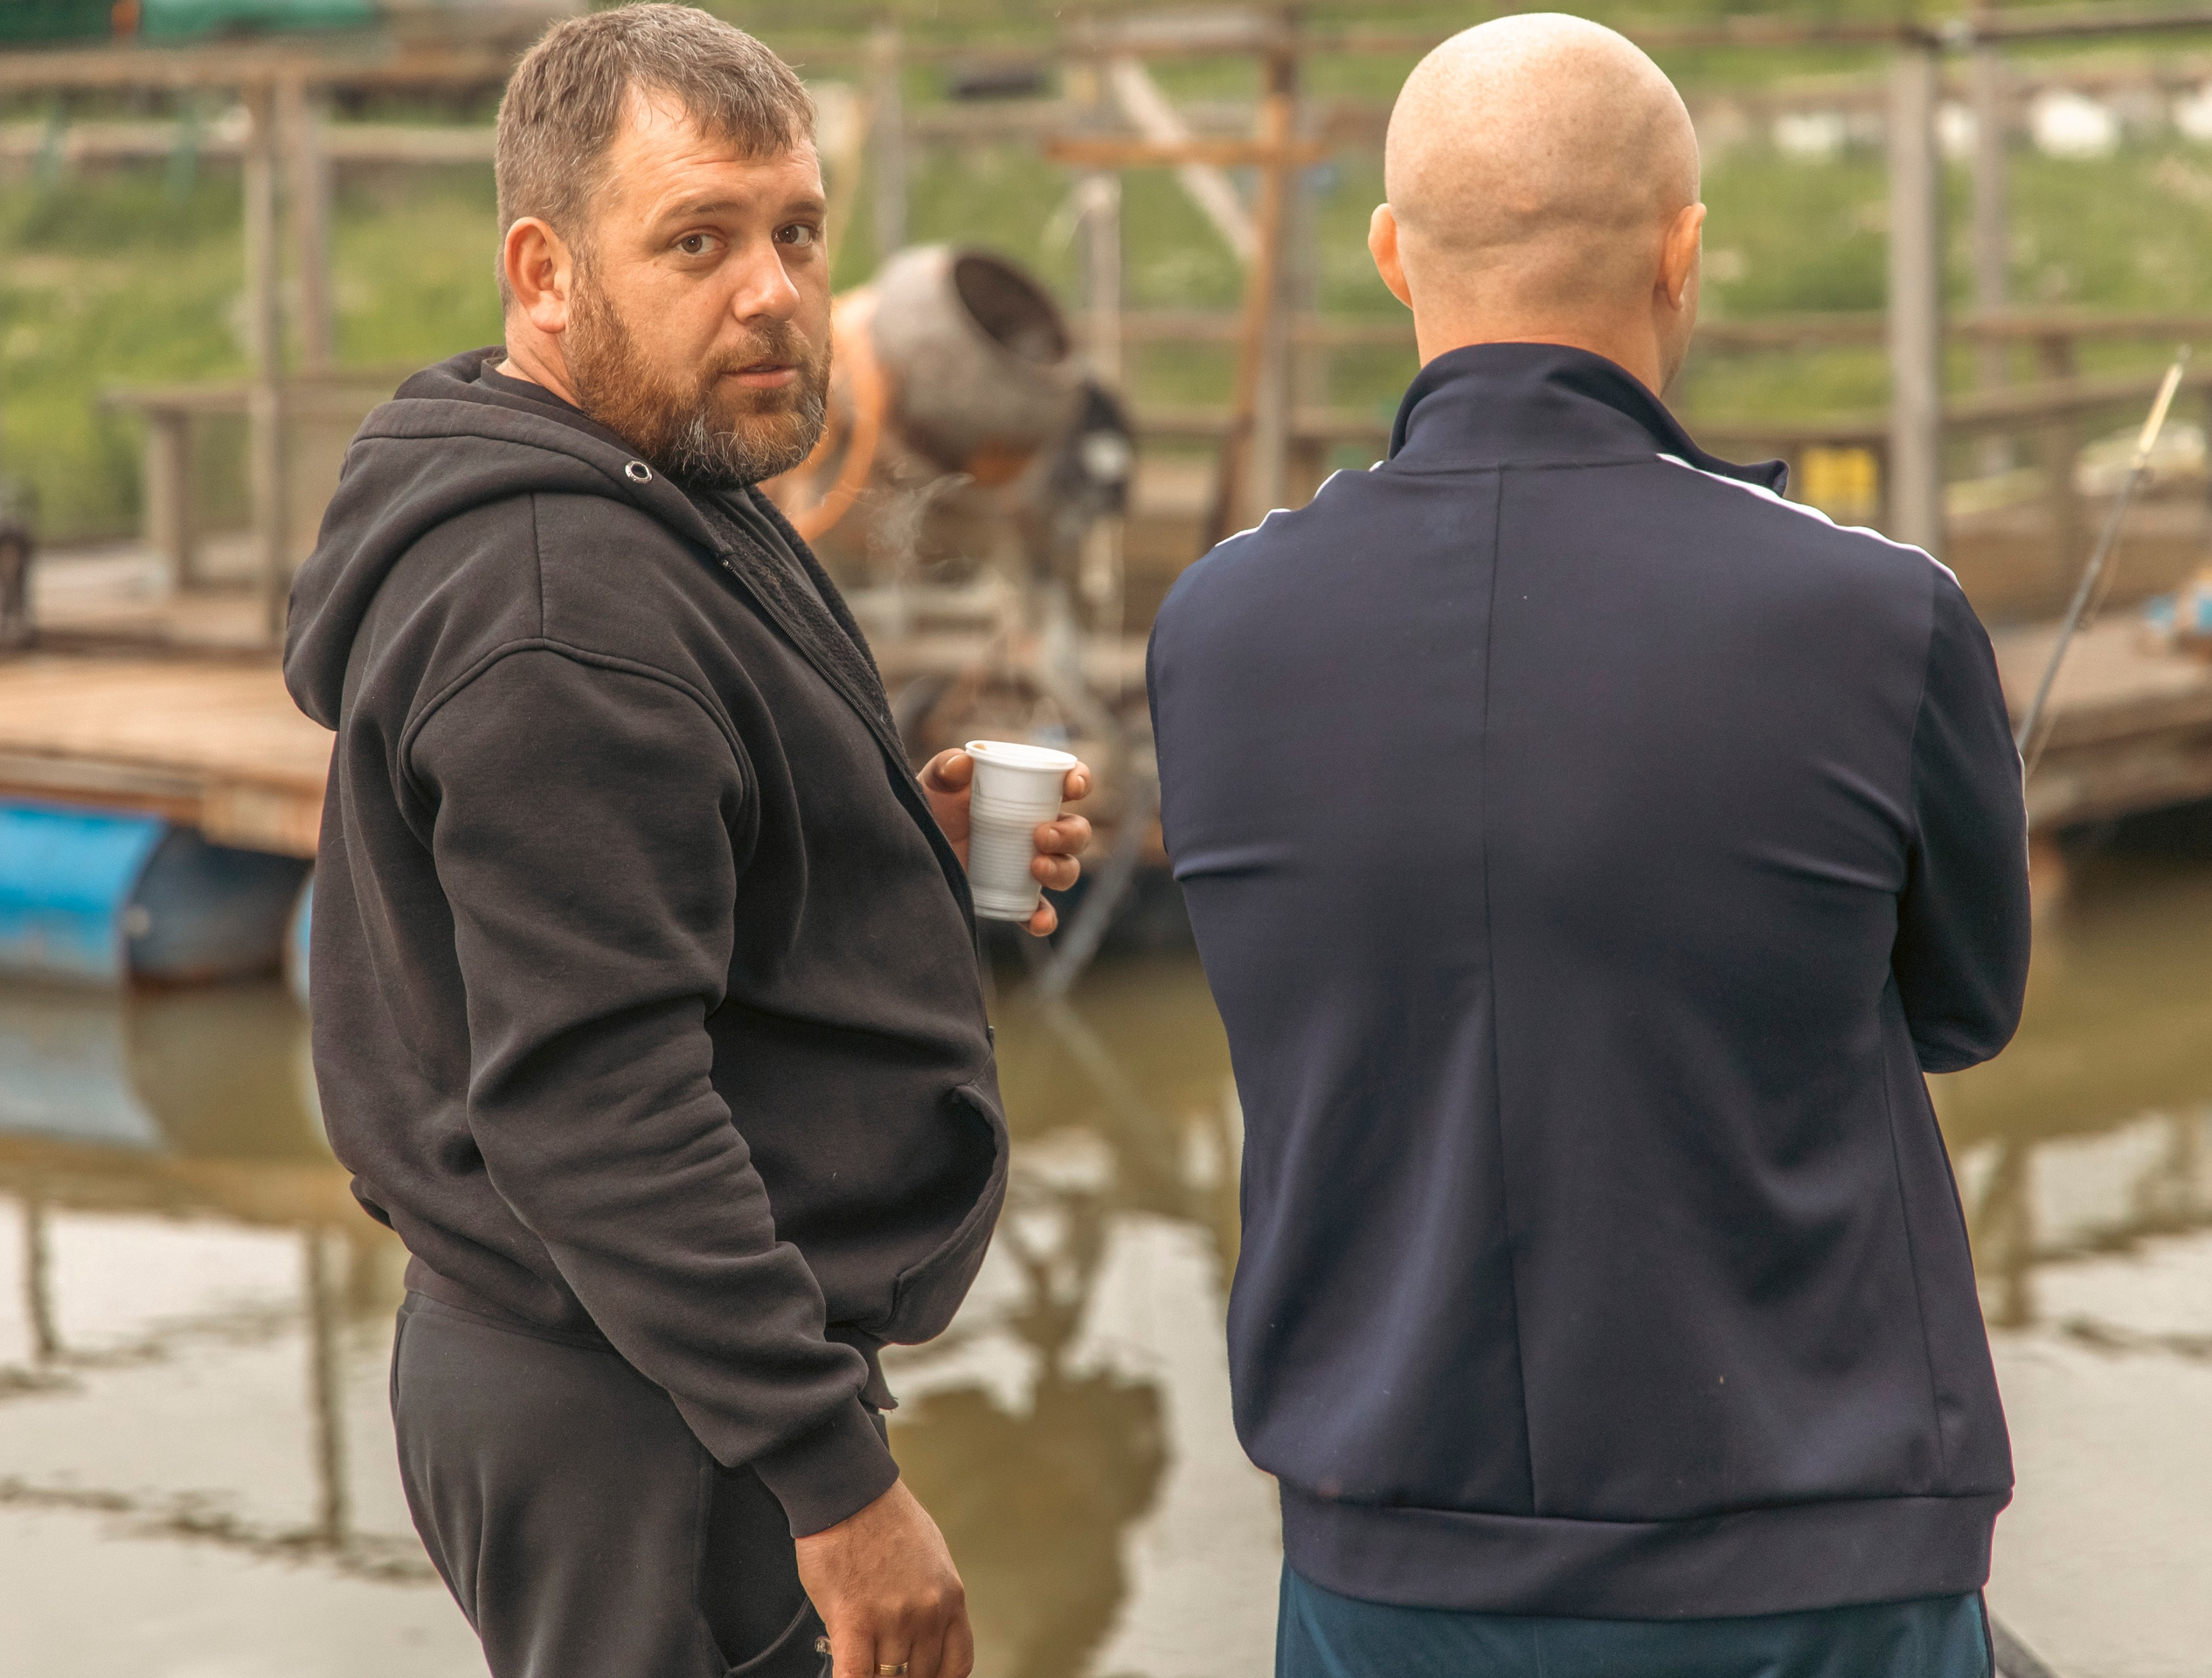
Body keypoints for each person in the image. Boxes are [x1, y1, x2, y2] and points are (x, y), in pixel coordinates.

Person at [1148, 15, 2030, 1677]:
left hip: (1385, 1554)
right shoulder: (1875, 611)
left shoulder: (1217, 625)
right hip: (1813, 1553)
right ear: (1681, 255)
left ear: (1393, 258)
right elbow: (1965, 1005)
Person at [282, 9, 1095, 1677]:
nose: (776, 292)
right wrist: (837, 1483)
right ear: (547, 269)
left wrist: (894, 848)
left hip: (656, 1363)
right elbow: (596, 1098)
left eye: (796, 231)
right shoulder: (556, 611)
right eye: (698, 242)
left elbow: (662, 897)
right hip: (632, 1403)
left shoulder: (658, 480)